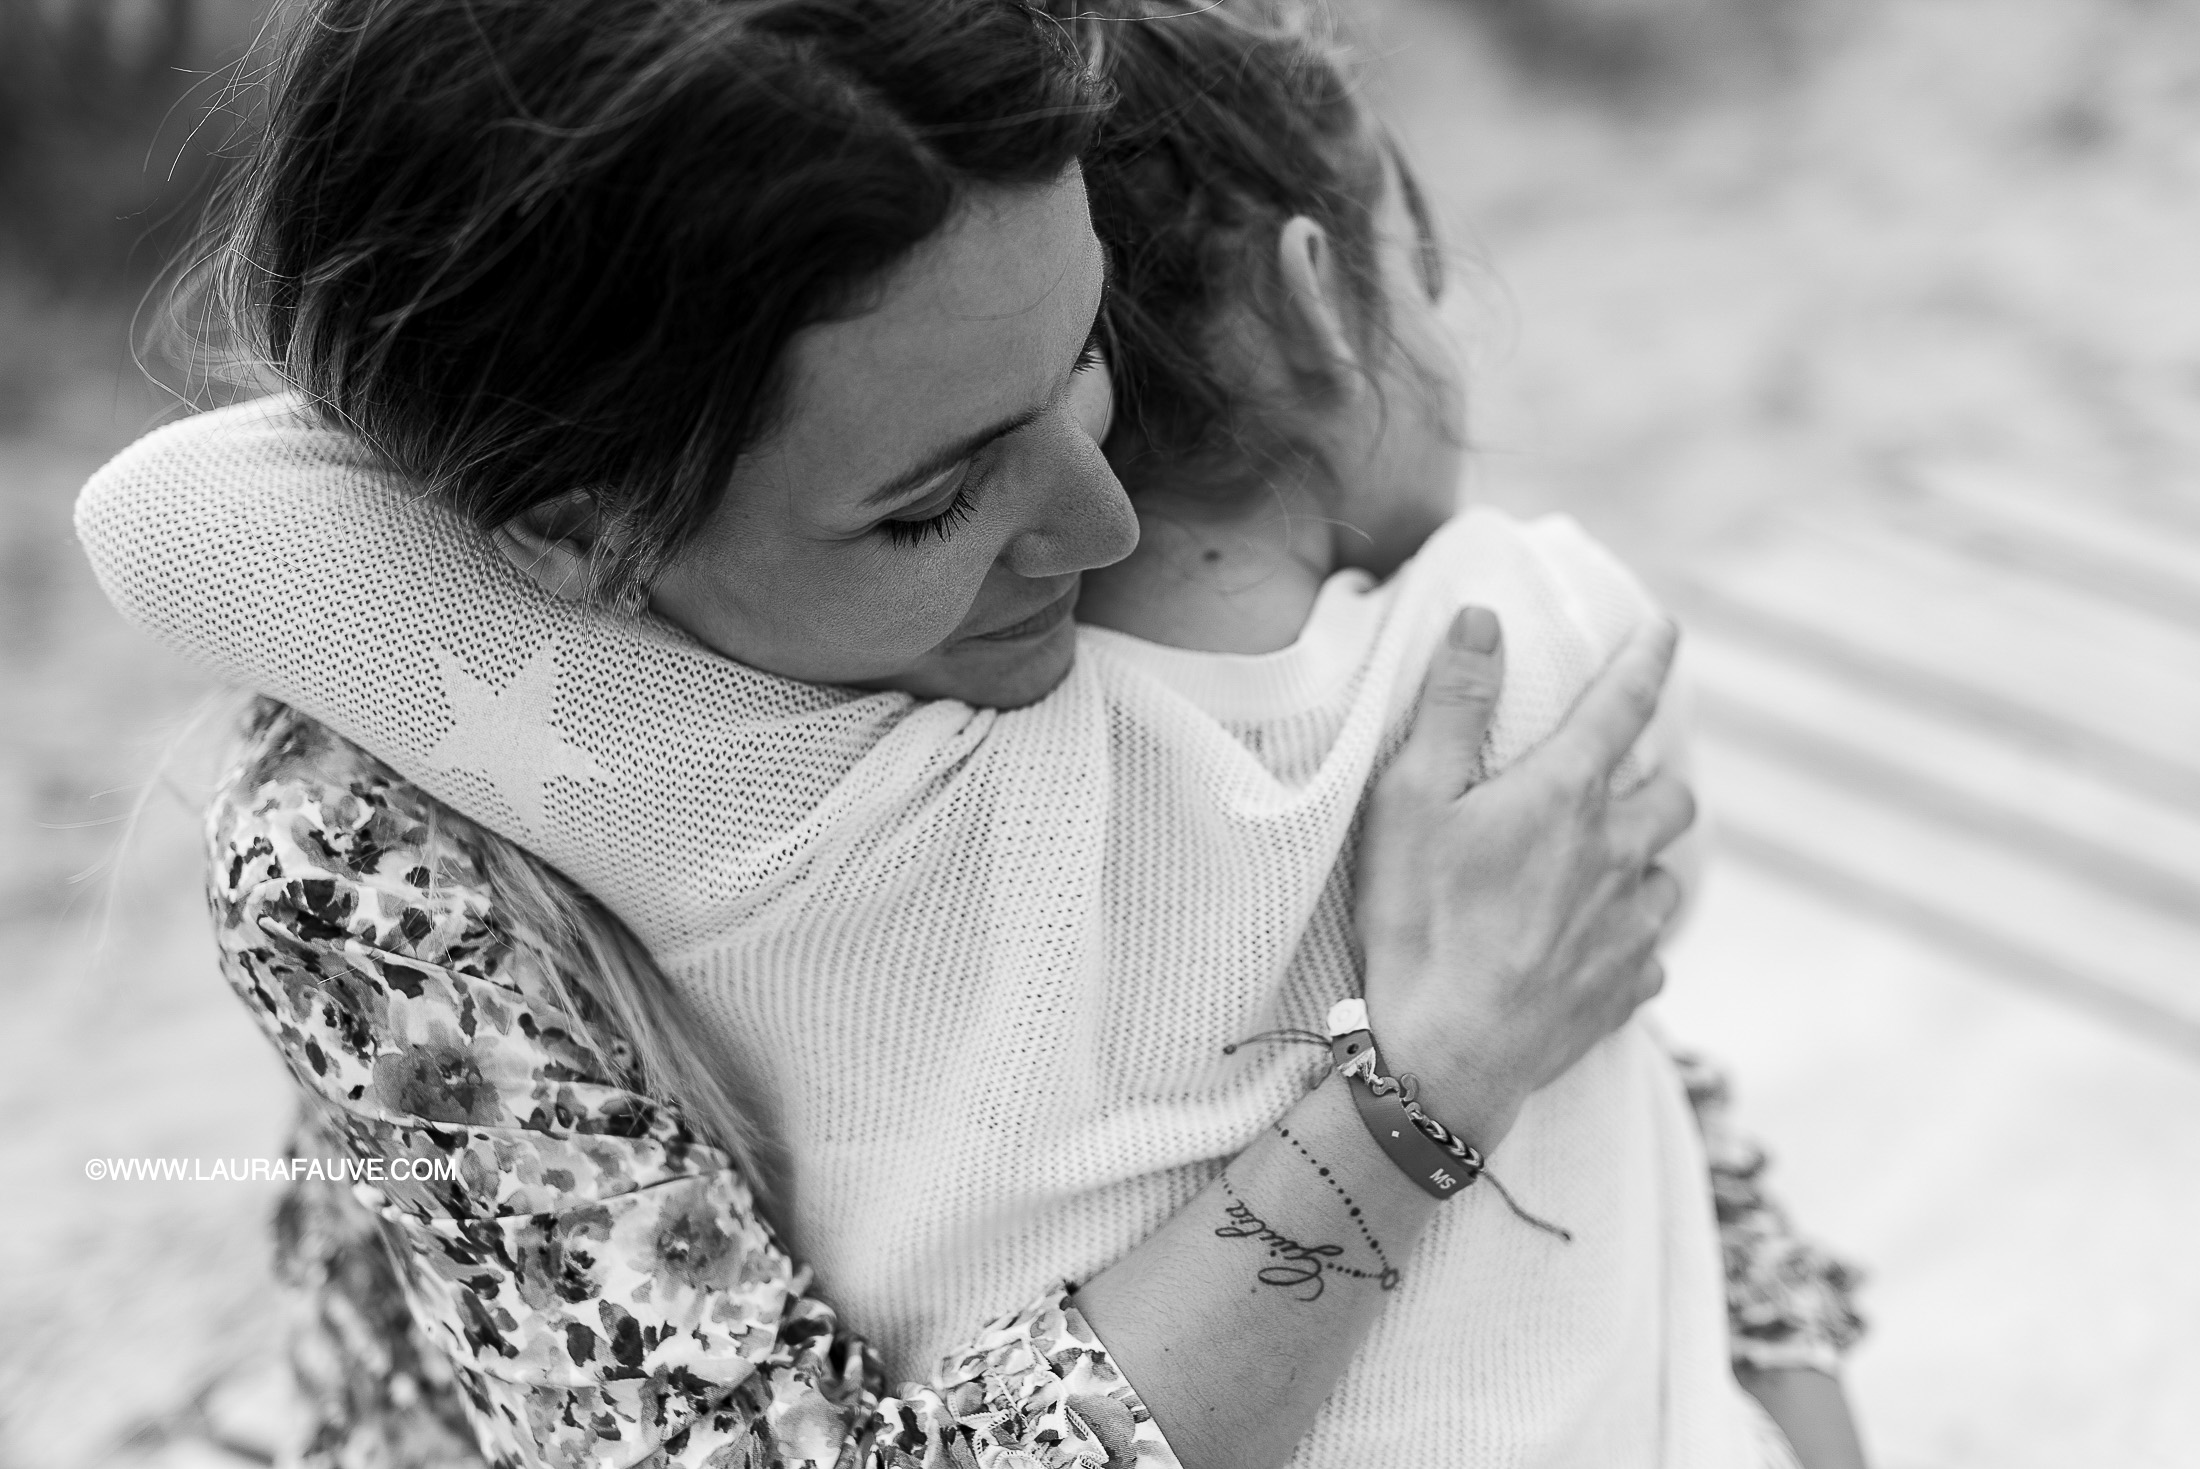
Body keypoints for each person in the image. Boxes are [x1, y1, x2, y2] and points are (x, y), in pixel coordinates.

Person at [78, 0, 1860, 1465]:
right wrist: (1415, 1095)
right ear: (572, 532)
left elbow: (1579, 980)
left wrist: (1778, 1387)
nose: (1103, 525)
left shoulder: (1036, 419)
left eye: (1090, 349)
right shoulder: (370, 844)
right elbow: (166, 510)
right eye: (928, 503)